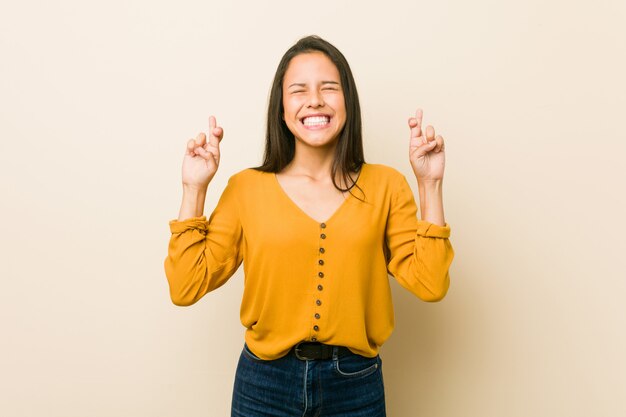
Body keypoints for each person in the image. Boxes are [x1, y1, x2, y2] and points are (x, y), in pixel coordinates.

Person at [164, 35, 454, 417]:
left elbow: (431, 283)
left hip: (356, 385)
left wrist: (430, 184)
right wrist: (194, 188)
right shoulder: (246, 189)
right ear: (282, 109)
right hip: (263, 385)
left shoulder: (387, 185)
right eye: (299, 90)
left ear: (347, 102)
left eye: (329, 88)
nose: (314, 100)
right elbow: (185, 287)